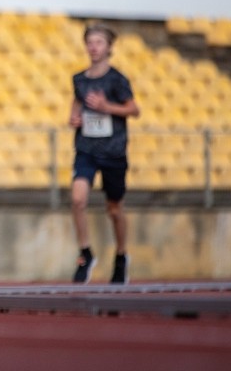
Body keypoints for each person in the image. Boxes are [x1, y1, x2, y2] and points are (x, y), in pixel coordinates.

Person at [68, 22, 139, 284]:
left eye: (98, 42)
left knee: (114, 208)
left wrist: (106, 106)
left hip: (113, 151)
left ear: (109, 47)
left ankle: (121, 256)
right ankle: (85, 253)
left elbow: (133, 109)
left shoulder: (117, 80)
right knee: (77, 198)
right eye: (90, 41)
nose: (93, 47)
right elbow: (76, 105)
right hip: (86, 148)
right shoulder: (80, 79)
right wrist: (74, 118)